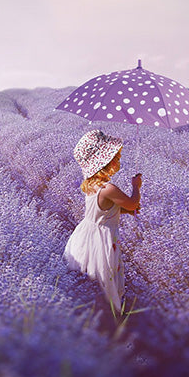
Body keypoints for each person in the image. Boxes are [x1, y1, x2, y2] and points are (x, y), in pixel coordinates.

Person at [64, 129, 142, 314]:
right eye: (117, 156)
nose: (119, 159)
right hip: (102, 240)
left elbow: (102, 210)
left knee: (91, 279)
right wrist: (136, 187)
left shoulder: (90, 184)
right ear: (106, 162)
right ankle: (111, 320)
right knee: (105, 280)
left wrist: (122, 211)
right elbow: (133, 203)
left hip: (85, 235)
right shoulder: (109, 188)